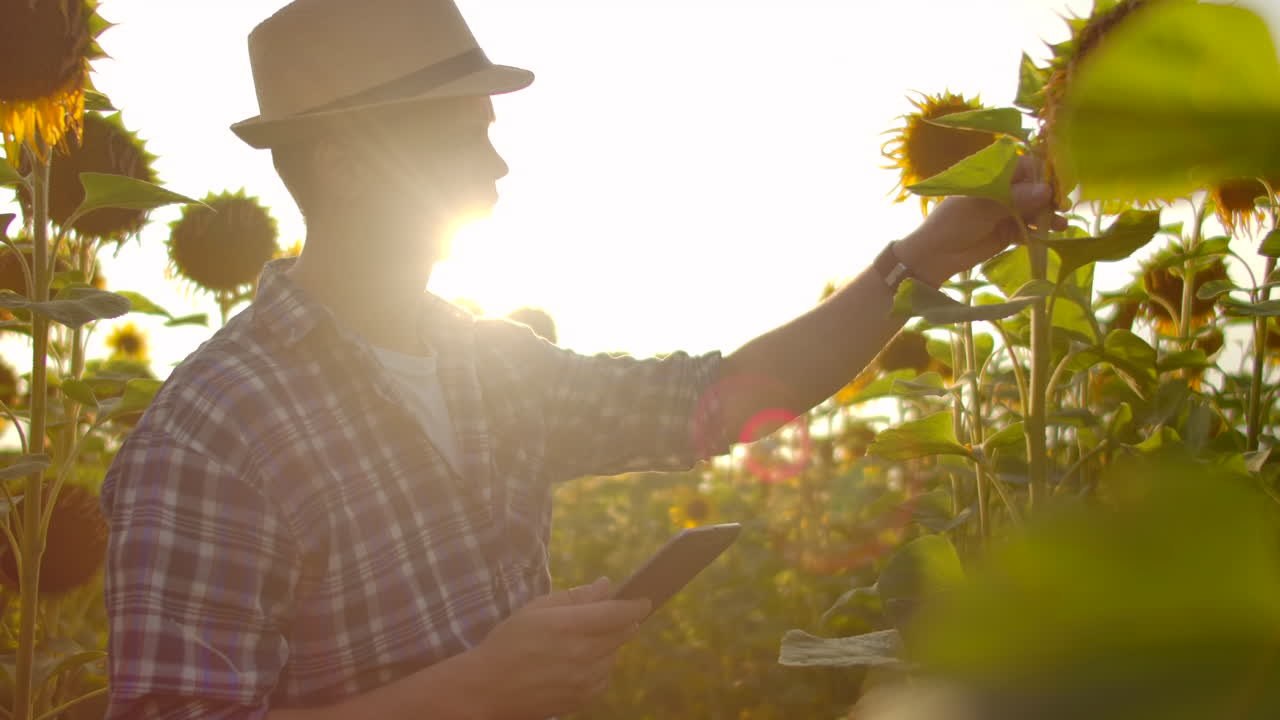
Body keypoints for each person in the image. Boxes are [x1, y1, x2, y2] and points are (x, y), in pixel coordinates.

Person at [99, 1, 1062, 718]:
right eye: (463, 133)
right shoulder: (213, 435)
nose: (498, 163)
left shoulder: (488, 365)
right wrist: (479, 687)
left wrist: (918, 260)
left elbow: (715, 401)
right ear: (348, 164)